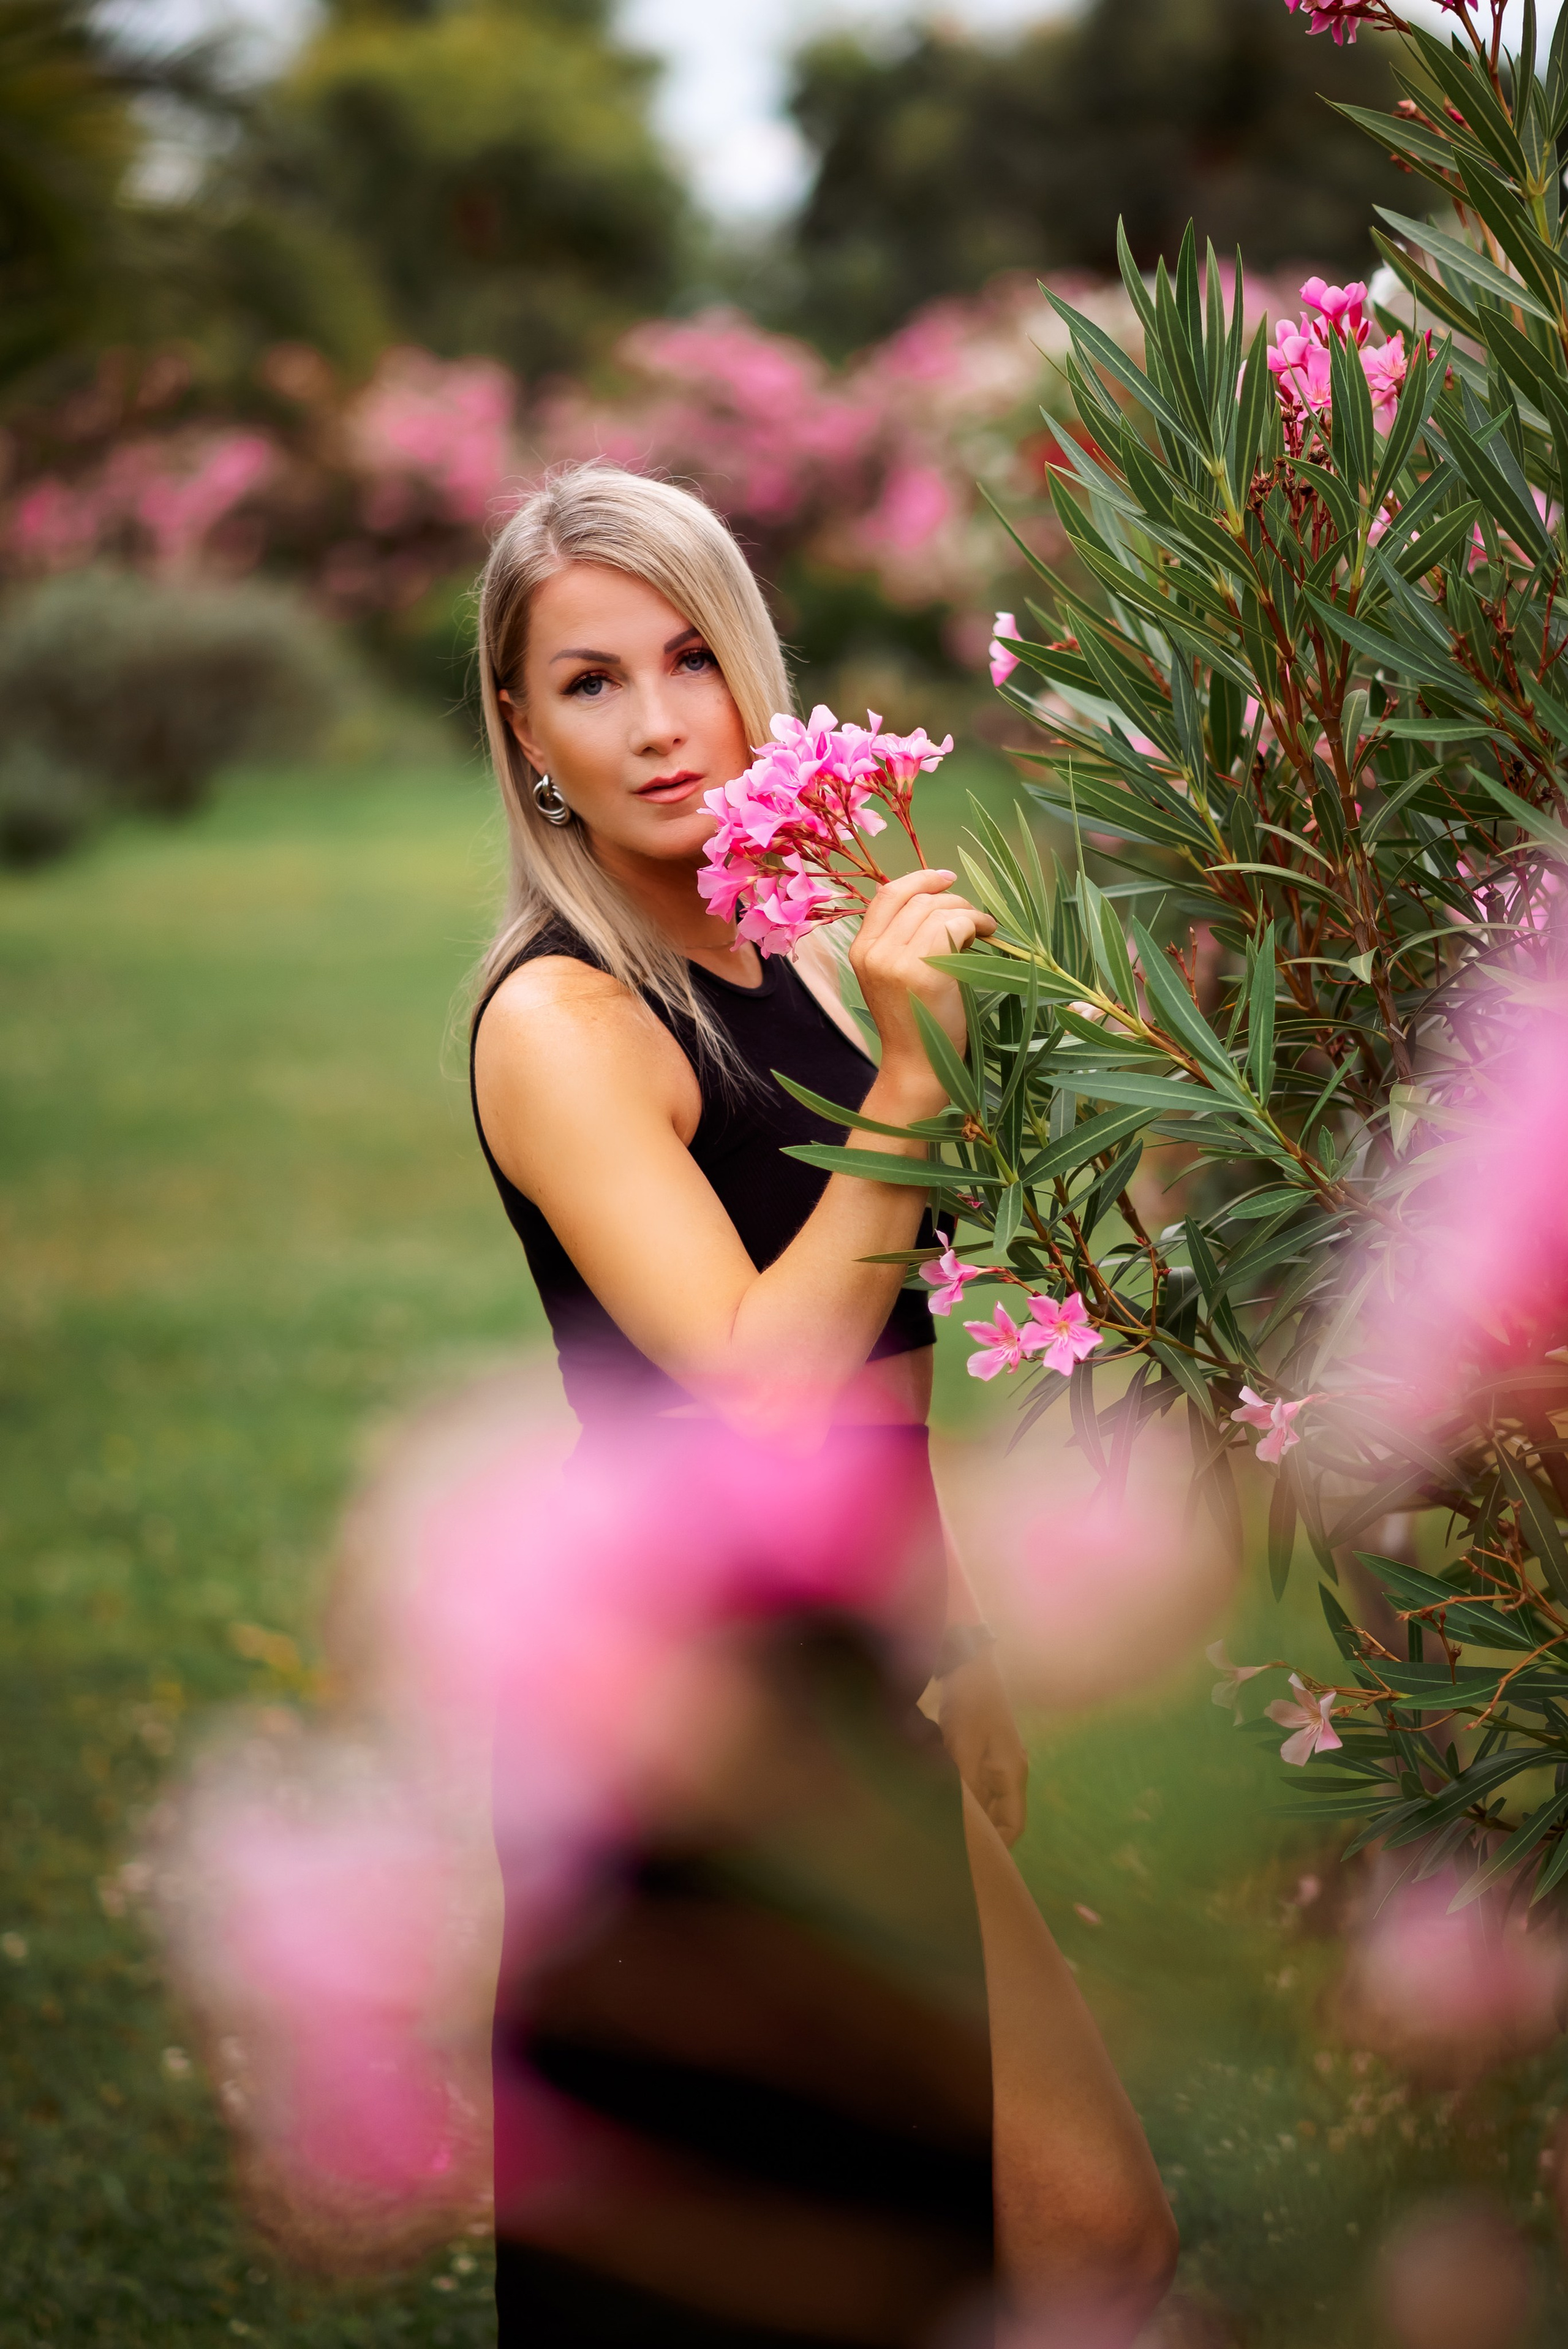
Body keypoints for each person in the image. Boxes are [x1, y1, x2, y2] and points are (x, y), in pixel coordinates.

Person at [469, 462, 1176, 2347]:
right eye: (592, 681)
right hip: (698, 1719)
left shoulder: (772, 952)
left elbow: (880, 1352)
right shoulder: (565, 1025)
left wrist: (951, 1629)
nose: (658, 721)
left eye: (691, 658)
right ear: (523, 733)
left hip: (847, 1658)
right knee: (960, 2238)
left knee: (1031, 2226)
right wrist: (918, 1086)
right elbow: (763, 1381)